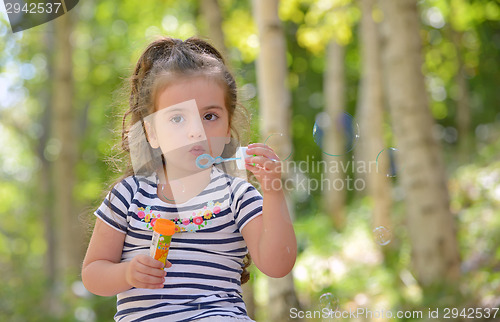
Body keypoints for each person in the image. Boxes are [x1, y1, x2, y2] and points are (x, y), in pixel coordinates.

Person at [81, 37, 297, 322]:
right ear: (151, 132)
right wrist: (126, 272)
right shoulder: (128, 195)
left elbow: (277, 264)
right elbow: (93, 272)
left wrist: (273, 192)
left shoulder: (237, 196)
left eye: (209, 116)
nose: (196, 130)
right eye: (177, 118)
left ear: (228, 128)